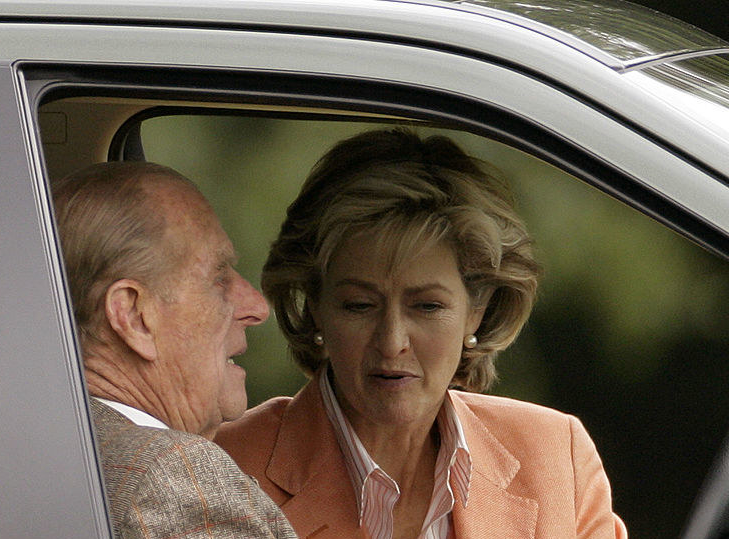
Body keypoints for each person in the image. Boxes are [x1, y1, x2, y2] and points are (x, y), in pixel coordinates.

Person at [215, 129, 626, 538]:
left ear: (477, 312)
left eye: (427, 306)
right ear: (315, 307)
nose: (392, 341)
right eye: (359, 305)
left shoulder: (555, 457)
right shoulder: (222, 472)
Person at [53, 161, 296, 539]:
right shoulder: (173, 475)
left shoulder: (44, 444)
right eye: (219, 278)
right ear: (133, 316)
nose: (257, 308)